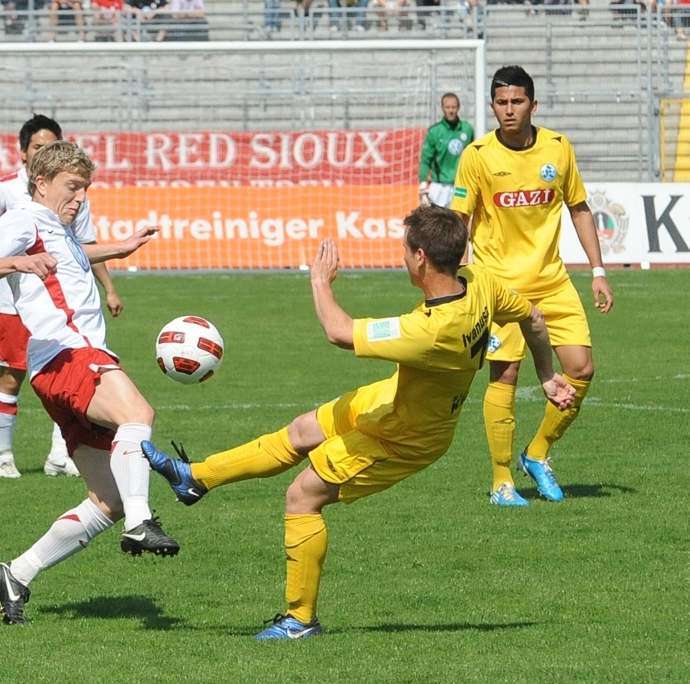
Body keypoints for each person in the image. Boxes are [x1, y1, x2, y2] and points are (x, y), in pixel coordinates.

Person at [142, 205, 575, 639]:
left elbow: (339, 331)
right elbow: (533, 318)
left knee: (302, 498)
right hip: (393, 399)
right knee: (300, 431)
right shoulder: (480, 282)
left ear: (421, 256)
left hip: (407, 437)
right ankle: (195, 478)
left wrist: (318, 281)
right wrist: (547, 375)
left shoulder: (433, 329)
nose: (402, 256)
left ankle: (300, 621)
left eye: (405, 249)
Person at [0, 141, 180, 625]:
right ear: (41, 183)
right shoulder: (23, 218)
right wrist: (17, 263)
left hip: (56, 366)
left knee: (107, 499)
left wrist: (122, 247)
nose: (80, 196)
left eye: (84, 187)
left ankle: (16, 572)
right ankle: (142, 522)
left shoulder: (56, 228)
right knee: (138, 415)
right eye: (72, 187)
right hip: (68, 353)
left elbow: (72, 252)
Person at [451, 65, 614, 507]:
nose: (509, 110)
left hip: (553, 281)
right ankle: (502, 481)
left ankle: (537, 453)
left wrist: (597, 271)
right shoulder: (477, 155)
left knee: (581, 370)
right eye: (501, 102)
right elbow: (459, 222)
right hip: (498, 287)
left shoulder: (558, 149)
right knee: (505, 375)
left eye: (517, 101)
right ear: (492, 107)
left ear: (533, 104)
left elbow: (579, 208)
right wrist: (458, 281)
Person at [0, 115, 123, 480]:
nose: (43, 151)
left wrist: (109, 285)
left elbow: (80, 248)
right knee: (12, 379)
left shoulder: (74, 193)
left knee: (69, 379)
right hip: (14, 306)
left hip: (62, 307)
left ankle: (59, 455)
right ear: (23, 153)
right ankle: (4, 455)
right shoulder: (5, 190)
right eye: (37, 147)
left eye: (51, 146)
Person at [418, 93, 474, 209]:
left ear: (458, 107)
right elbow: (425, 159)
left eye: (453, 107)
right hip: (439, 186)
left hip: (460, 185)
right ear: (442, 108)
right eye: (447, 107)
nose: (451, 111)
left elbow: (473, 158)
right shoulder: (434, 131)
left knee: (460, 219)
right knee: (436, 222)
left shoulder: (467, 130)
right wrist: (423, 185)